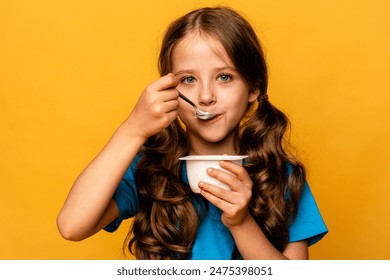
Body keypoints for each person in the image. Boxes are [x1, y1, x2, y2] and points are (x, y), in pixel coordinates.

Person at [57, 6, 327, 260]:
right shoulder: (149, 169)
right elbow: (71, 226)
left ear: (253, 88)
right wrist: (133, 128)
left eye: (224, 77)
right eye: (188, 79)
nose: (206, 96)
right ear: (170, 90)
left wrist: (241, 222)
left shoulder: (281, 176)